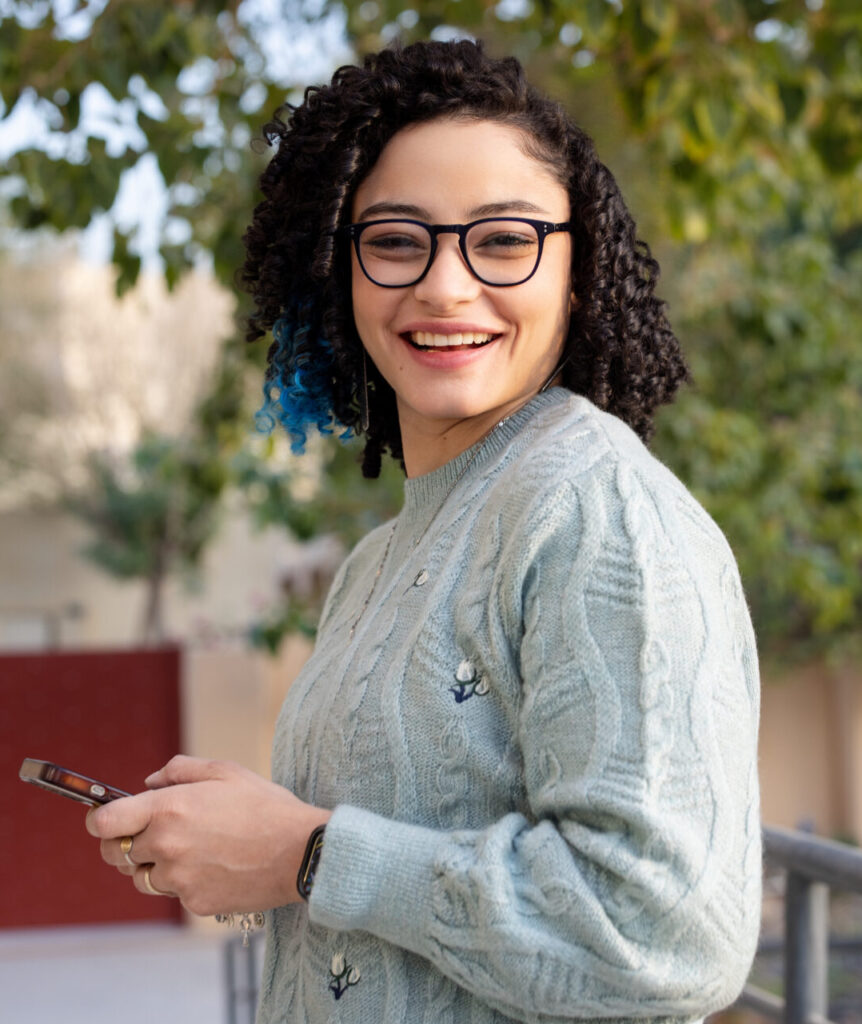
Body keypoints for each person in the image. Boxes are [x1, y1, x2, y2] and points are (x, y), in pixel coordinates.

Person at [87, 39, 762, 1023]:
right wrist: (241, 840)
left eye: (501, 241)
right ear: (338, 274)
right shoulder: (378, 560)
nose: (445, 287)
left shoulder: (598, 511)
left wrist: (306, 853)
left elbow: (666, 936)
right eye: (397, 240)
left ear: (576, 271)